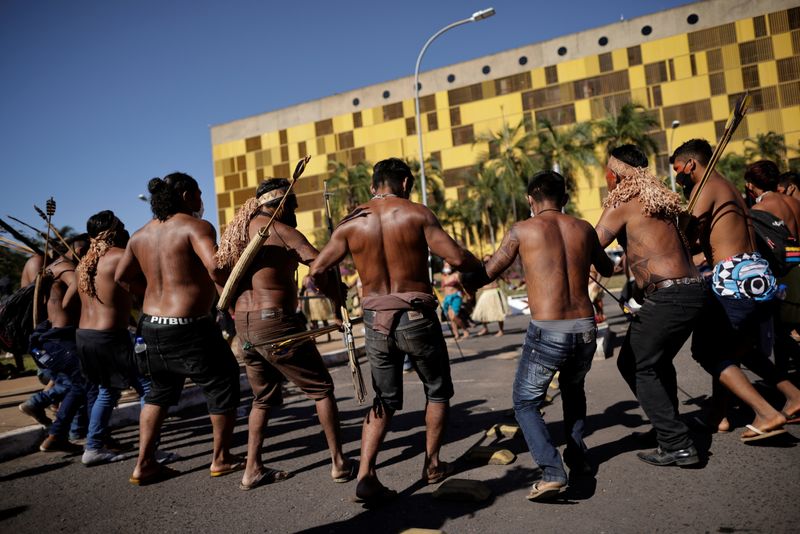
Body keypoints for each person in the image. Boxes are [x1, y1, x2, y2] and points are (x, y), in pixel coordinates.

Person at [309, 157, 482, 504]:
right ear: (403, 183)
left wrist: (335, 291)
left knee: (384, 399)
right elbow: (458, 258)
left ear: (373, 186)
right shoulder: (417, 213)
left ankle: (366, 475)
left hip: (375, 321)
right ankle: (432, 466)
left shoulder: (350, 223)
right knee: (436, 390)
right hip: (416, 316)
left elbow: (315, 271)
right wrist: (477, 267)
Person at [475, 170, 613, 500]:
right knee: (573, 389)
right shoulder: (583, 228)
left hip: (548, 331)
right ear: (564, 199)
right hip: (584, 328)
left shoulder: (522, 230)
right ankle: (578, 458)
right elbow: (607, 269)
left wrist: (461, 270)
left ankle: (552, 472)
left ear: (529, 200)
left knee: (525, 402)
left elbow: (489, 272)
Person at [216, 178, 354, 491]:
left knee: (262, 399)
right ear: (285, 205)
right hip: (275, 322)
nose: (294, 213)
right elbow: (320, 265)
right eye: (293, 206)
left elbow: (216, 269)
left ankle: (252, 469)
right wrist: (337, 295)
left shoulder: (237, 232)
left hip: (245, 325)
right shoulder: (280, 229)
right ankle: (339, 463)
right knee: (321, 388)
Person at [116, 172, 241, 485]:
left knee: (159, 392)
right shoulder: (195, 227)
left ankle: (144, 463)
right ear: (186, 196)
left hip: (151, 325)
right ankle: (221, 458)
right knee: (222, 381)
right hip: (189, 326)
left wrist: (150, 291)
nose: (202, 200)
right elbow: (215, 266)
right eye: (199, 193)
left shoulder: (140, 235)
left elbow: (122, 276)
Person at [595, 145, 707, 466]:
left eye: (606, 172)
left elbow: (591, 243)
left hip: (669, 295)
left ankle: (677, 443)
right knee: (649, 361)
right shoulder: (659, 198)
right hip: (691, 290)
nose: (605, 178)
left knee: (639, 365)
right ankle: (667, 427)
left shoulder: (622, 201)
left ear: (615, 174)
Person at [671, 139, 789, 441]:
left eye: (678, 171)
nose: (678, 177)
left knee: (707, 351)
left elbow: (685, 236)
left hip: (734, 279)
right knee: (736, 350)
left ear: (691, 165)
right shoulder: (728, 187)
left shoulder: (704, 187)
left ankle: (767, 412)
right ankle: (719, 415)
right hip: (757, 275)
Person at [74, 211, 152, 466]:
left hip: (86, 336)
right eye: (123, 227)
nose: (126, 231)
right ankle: (150, 451)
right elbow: (146, 288)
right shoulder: (119, 257)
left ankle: (93, 447)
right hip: (110, 337)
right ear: (113, 232)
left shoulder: (84, 263)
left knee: (106, 392)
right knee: (149, 389)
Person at [743, 161, 800, 422]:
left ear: (750, 184)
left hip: (787, 274)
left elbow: (766, 249)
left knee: (784, 332)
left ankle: (793, 395)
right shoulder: (793, 202)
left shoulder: (760, 209)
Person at [33, 236, 91, 453]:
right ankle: (55, 430)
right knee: (80, 384)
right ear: (79, 248)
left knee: (76, 384)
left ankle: (69, 430)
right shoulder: (66, 266)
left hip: (51, 336)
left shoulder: (51, 267)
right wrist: (70, 306)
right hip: (62, 337)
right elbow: (76, 284)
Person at [470, 255, 508, 336]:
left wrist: (510, 285)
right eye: (485, 261)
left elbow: (505, 279)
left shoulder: (497, 269)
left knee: (498, 312)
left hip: (495, 292)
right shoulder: (480, 271)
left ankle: (501, 330)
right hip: (486, 293)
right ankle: (485, 328)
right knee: (481, 311)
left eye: (489, 260)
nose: (487, 262)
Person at [440, 262, 469, 339]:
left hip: (456, 296)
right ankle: (456, 334)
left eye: (448, 266)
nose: (446, 267)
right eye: (445, 266)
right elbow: (442, 288)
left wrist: (466, 294)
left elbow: (462, 286)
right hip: (447, 298)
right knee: (450, 317)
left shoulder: (456, 275)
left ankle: (465, 330)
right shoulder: (443, 277)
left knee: (454, 316)